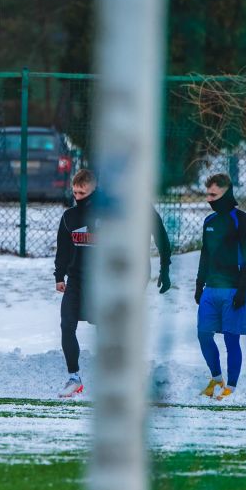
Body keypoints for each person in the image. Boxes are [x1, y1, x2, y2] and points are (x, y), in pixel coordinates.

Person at [53, 169, 173, 398]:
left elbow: (158, 233)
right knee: (67, 323)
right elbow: (63, 249)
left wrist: (164, 268)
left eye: (82, 192)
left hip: (105, 282)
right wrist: (59, 276)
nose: (77, 196)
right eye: (75, 192)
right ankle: (74, 377)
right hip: (77, 281)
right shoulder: (70, 217)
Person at [194, 174, 246, 401]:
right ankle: (216, 377)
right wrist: (199, 284)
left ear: (226, 193)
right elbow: (204, 254)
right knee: (203, 334)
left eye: (214, 195)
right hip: (211, 289)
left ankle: (231, 385)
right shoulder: (209, 222)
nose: (209, 199)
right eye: (208, 194)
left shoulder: (242, 220)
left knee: (231, 339)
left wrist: (242, 289)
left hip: (233, 290)